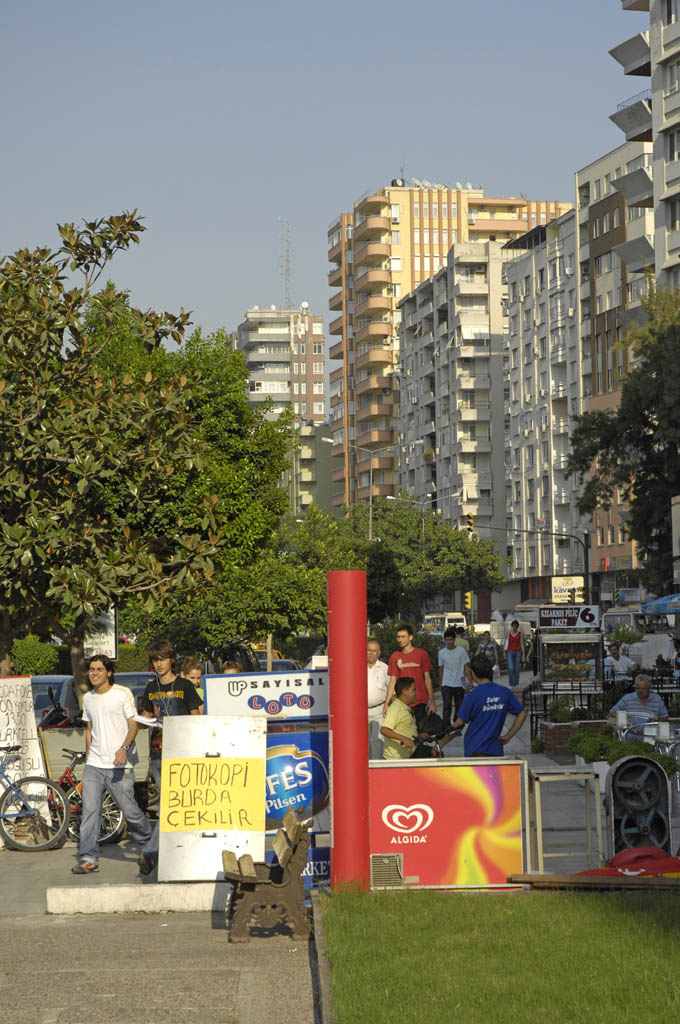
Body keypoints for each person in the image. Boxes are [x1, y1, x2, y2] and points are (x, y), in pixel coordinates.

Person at [73, 655, 152, 874]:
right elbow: (89, 730)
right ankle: (88, 857)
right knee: (90, 812)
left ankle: (151, 844)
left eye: (99, 669)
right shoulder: (88, 698)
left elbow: (133, 725)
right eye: (91, 669)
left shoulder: (122, 693)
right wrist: (88, 760)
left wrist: (124, 748)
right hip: (94, 765)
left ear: (109, 672)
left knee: (130, 812)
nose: (94, 673)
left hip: (120, 766)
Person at [137, 638, 203, 875]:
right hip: (158, 754)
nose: (159, 664)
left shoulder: (184, 686)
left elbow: (198, 717)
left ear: (172, 661)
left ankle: (152, 852)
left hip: (183, 753)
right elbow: (145, 718)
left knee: (173, 804)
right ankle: (165, 852)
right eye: (155, 660)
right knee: (170, 803)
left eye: (163, 659)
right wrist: (138, 721)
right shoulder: (151, 687)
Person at [452, 653, 527, 758]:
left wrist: (441, 737)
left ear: (473, 673)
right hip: (495, 750)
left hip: (474, 749)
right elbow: (522, 713)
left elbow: (459, 723)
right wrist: (508, 736)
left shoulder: (472, 695)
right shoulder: (505, 692)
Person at [384, 624, 435, 729]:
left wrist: (432, 702)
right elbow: (392, 681)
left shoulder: (422, 654)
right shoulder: (395, 656)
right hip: (402, 703)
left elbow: (427, 679)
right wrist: (386, 704)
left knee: (419, 733)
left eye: (403, 637)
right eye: (398, 637)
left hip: (419, 701)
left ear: (410, 637)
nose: (400, 640)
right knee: (404, 732)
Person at [380, 678, 440, 760]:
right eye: (414, 690)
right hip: (395, 759)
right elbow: (384, 730)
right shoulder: (395, 708)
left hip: (409, 753)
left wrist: (419, 735)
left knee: (434, 752)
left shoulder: (405, 707)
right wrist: (403, 739)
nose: (416, 693)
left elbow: (404, 729)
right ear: (404, 692)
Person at [438, 628, 472, 728]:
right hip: (446, 683)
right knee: (447, 706)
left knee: (459, 706)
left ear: (454, 640)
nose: (448, 642)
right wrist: (440, 684)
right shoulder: (441, 653)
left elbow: (466, 667)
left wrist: (470, 682)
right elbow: (441, 669)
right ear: (444, 640)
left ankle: (457, 725)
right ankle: (446, 726)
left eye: (450, 640)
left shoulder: (461, 651)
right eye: (446, 640)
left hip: (459, 683)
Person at [367, 639, 389, 759]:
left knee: (376, 741)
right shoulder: (357, 667)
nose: (371, 653)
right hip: (361, 712)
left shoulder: (385, 668)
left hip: (379, 711)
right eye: (368, 650)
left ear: (378, 653)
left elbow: (392, 691)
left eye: (374, 651)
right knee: (363, 741)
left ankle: (376, 765)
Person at [504, 620, 525, 688]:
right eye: (513, 626)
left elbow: (522, 644)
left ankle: (516, 684)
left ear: (517, 627)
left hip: (518, 652)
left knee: (517, 669)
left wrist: (523, 655)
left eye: (516, 626)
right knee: (511, 668)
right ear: (512, 626)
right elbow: (505, 643)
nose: (514, 628)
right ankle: (511, 684)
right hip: (509, 652)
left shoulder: (520, 634)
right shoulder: (508, 633)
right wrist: (504, 652)